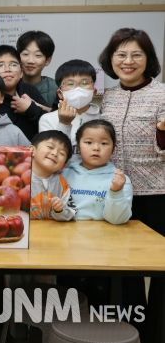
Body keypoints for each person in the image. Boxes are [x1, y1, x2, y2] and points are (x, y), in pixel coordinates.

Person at [98, 28, 165, 341]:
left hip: (157, 193)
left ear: (148, 59)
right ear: (110, 59)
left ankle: (156, 332)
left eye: (136, 54)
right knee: (124, 268)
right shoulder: (108, 97)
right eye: (121, 54)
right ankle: (130, 332)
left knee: (160, 268)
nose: (128, 61)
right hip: (116, 192)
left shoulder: (162, 94)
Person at [63, 119, 132, 224]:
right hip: (64, 232)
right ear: (78, 147)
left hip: (104, 233)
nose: (96, 148)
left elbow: (117, 220)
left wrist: (116, 192)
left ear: (113, 149)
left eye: (104, 143)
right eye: (88, 142)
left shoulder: (120, 180)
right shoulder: (63, 175)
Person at [0, 45, 47, 141]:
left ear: (21, 72)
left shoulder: (29, 90)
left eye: (13, 65)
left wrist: (30, 109)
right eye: (0, 65)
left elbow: (49, 123)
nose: (7, 69)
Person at [39, 59, 101, 147]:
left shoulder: (103, 117)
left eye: (85, 83)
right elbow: (53, 151)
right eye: (71, 84)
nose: (78, 89)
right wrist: (64, 123)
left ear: (94, 91)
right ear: (60, 93)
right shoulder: (48, 119)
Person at [29, 130, 76, 221]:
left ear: (64, 165)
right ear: (32, 150)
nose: (55, 153)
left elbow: (70, 214)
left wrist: (60, 210)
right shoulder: (19, 177)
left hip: (52, 229)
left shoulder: (63, 184)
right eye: (50, 147)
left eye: (62, 153)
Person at [16, 31, 57, 108]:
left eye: (38, 55)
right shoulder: (10, 85)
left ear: (47, 60)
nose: (30, 61)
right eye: (25, 54)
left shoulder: (55, 88)